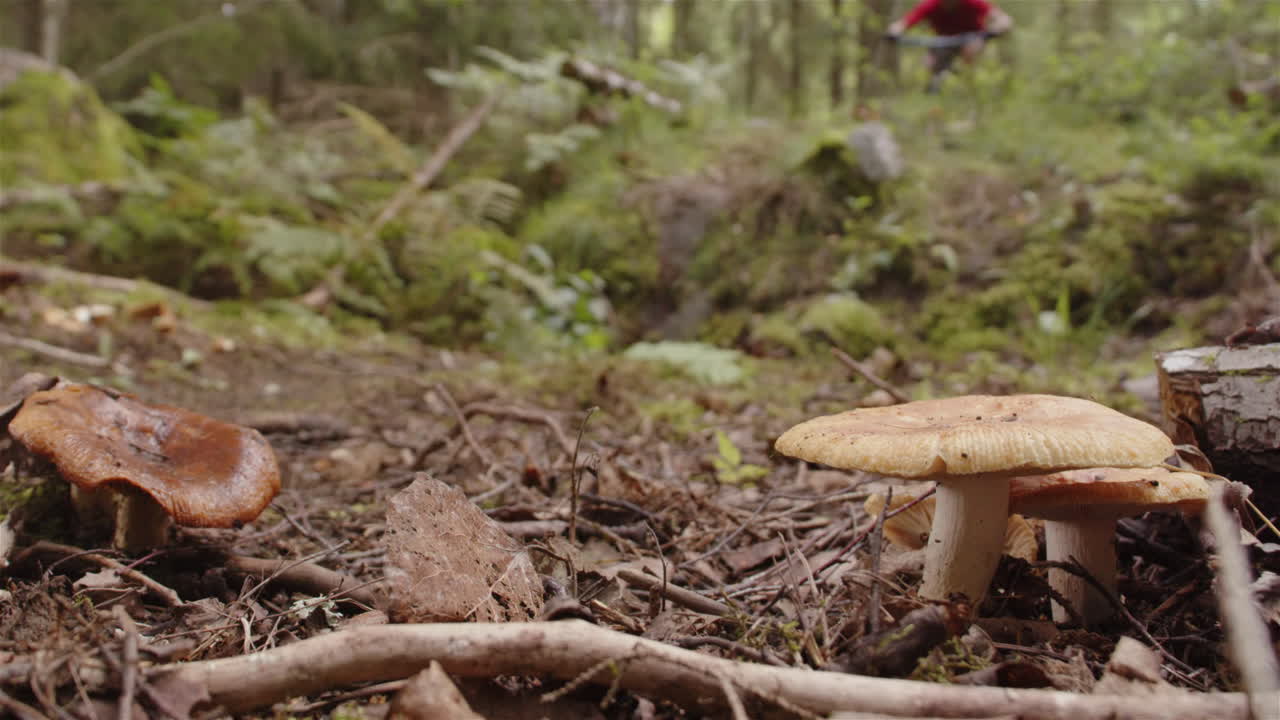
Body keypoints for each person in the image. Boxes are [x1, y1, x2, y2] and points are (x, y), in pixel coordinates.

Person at [886, 0, 1013, 93]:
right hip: (943, 42)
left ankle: (968, 88)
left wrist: (999, 26)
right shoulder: (930, 5)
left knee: (970, 52)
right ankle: (933, 91)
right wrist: (894, 31)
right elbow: (905, 22)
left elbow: (1001, 18)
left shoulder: (972, 3)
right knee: (929, 63)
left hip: (972, 39)